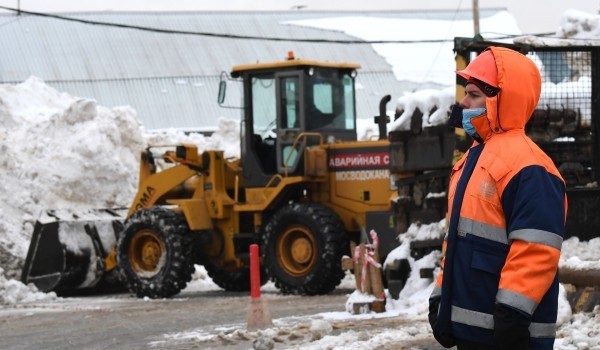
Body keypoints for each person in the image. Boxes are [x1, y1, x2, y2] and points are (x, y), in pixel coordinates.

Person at [428, 47, 567, 350]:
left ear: (501, 98)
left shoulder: (531, 168)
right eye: (466, 93)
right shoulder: (471, 160)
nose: (463, 103)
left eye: (474, 94)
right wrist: (441, 296)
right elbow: (456, 239)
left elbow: (536, 250)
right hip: (476, 332)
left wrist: (512, 316)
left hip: (512, 337)